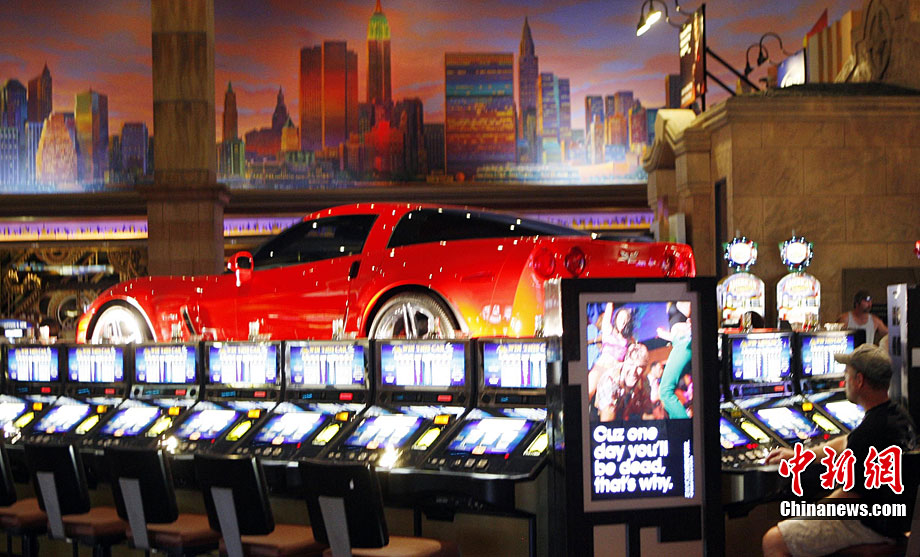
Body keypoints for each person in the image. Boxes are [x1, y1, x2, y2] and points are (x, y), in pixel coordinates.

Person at [761, 343, 917, 557]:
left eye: (847, 374)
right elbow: (846, 441)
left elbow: (849, 495)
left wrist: (810, 513)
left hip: (872, 526)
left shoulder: (869, 433)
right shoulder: (897, 415)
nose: (844, 381)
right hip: (896, 520)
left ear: (859, 380)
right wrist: (802, 456)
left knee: (774, 540)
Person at [657, 301, 692, 419]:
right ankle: (678, 424)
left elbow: (690, 310)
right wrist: (664, 335)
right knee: (666, 390)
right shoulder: (670, 301)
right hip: (678, 342)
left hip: (684, 341)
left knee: (665, 391)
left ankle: (683, 425)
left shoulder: (681, 297)